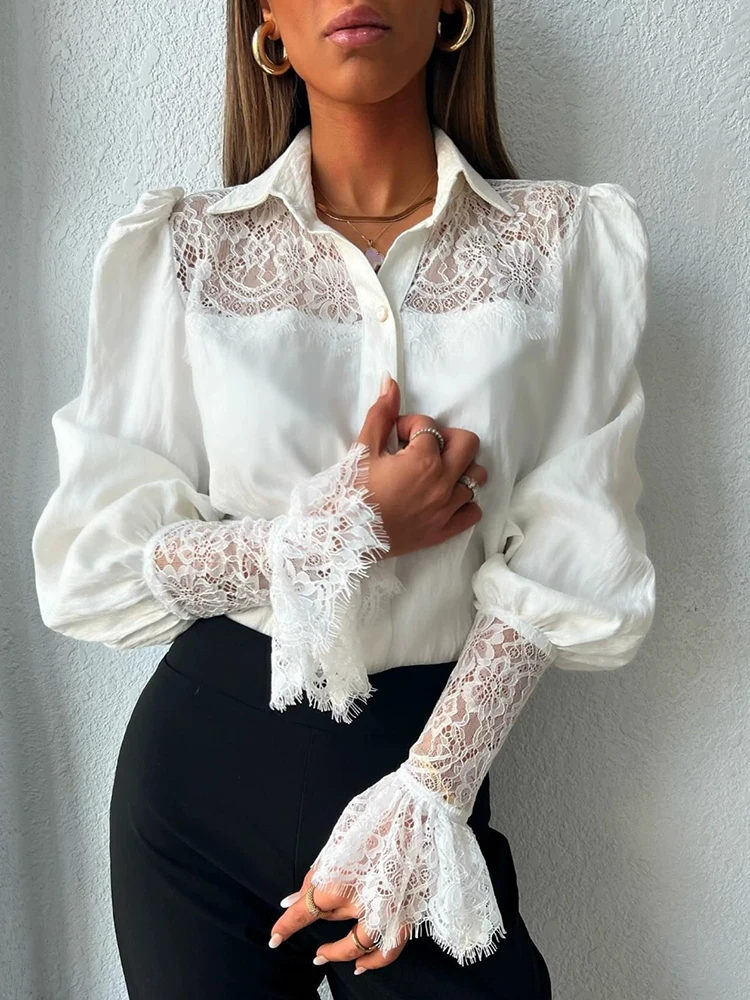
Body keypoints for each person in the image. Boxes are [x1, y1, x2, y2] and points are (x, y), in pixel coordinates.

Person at [31, 1, 656, 997]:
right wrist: (335, 531)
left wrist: (433, 787)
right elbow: (90, 566)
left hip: (425, 758)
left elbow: (577, 547)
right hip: (197, 779)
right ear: (267, 23)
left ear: (451, 8)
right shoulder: (189, 250)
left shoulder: (558, 243)